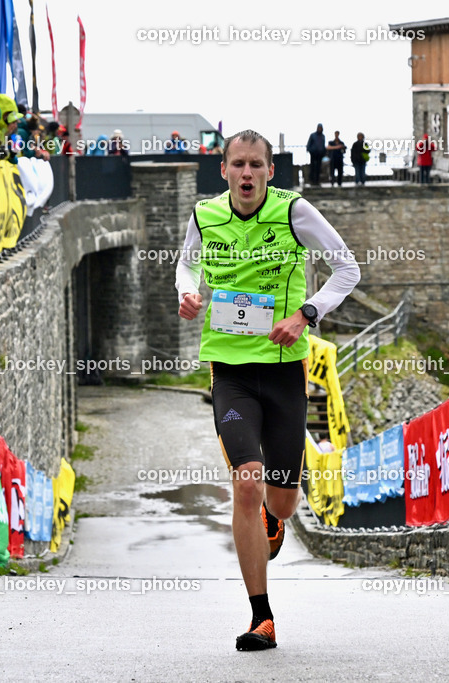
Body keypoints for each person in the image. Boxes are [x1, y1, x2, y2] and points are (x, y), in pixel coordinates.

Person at [175, 129, 359, 651]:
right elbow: (186, 264)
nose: (248, 173)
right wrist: (189, 293)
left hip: (283, 371)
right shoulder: (204, 216)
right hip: (230, 370)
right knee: (248, 482)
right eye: (239, 164)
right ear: (225, 170)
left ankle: (276, 524)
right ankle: (262, 617)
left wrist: (306, 314)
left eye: (257, 164)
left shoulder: (295, 212)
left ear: (270, 171)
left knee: (282, 497)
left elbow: (348, 268)